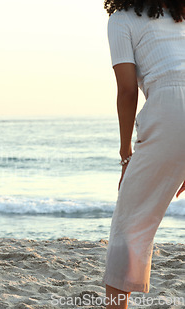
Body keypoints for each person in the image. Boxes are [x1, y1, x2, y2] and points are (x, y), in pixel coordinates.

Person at [104, 1, 185, 308]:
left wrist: (126, 153)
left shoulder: (121, 19)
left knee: (127, 226)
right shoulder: (179, 15)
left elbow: (127, 90)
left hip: (169, 108)